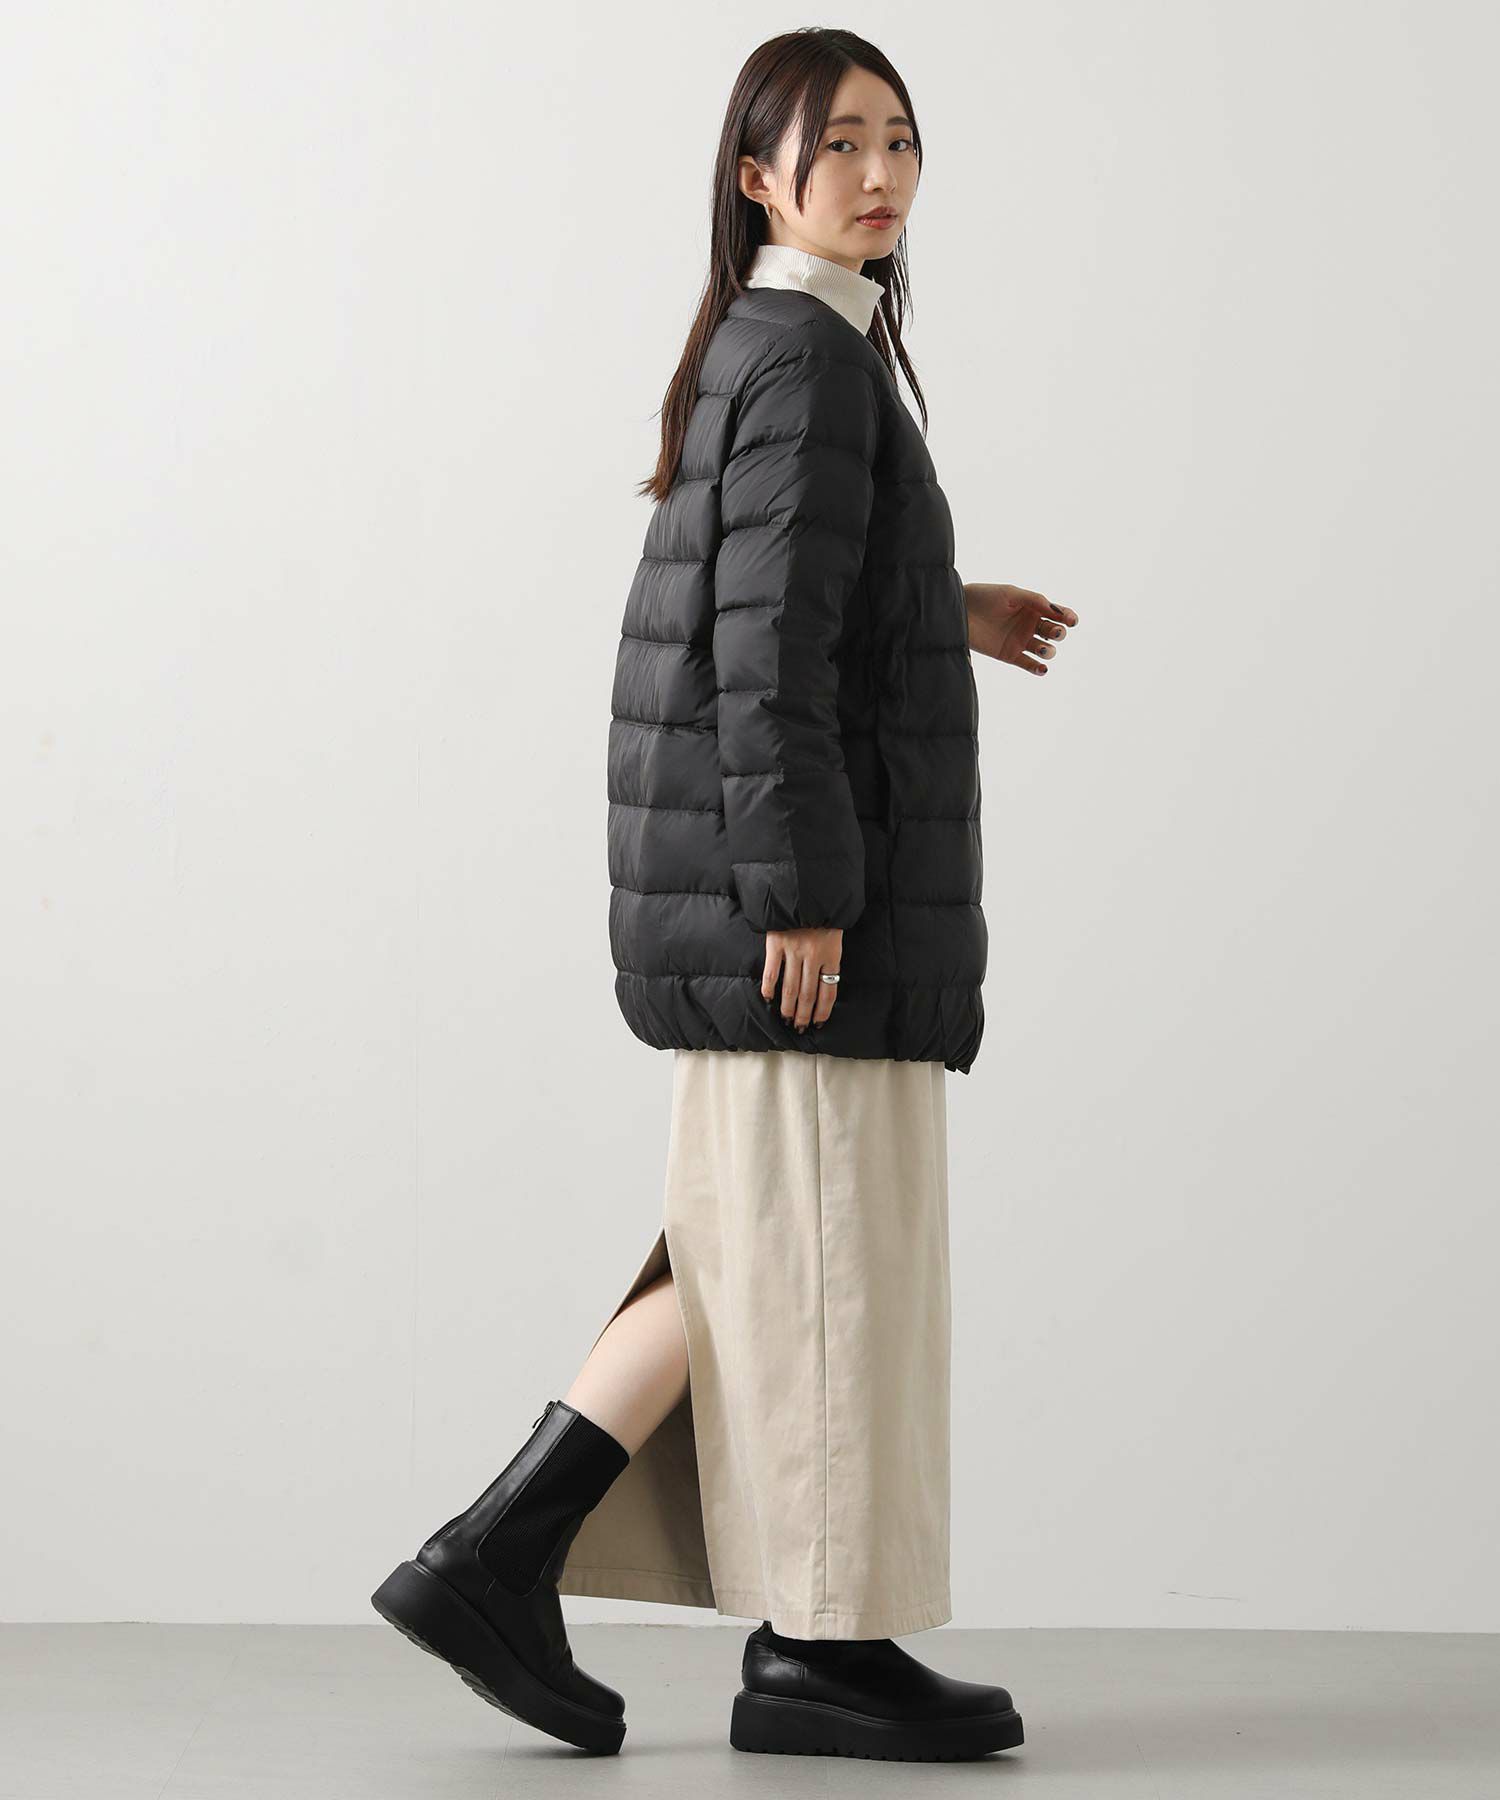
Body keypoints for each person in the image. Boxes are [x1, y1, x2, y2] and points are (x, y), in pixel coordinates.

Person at [372, 26, 1078, 1763]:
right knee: (818, 1272)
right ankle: (815, 1648)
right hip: (803, 910)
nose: (882, 173)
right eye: (840, 144)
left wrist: (944, 604)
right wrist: (806, 893)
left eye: (901, 138)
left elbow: (775, 593)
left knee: (751, 1262)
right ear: (761, 179)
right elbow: (759, 660)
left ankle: (501, 1558)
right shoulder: (813, 359)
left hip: (766, 892)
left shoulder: (780, 342)